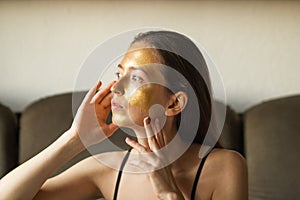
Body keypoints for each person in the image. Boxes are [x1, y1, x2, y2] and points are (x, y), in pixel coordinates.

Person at [0, 30, 248, 200]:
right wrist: (74, 139)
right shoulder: (106, 169)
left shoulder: (225, 167)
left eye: (136, 78)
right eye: (119, 75)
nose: (116, 88)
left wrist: (169, 192)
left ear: (174, 103)